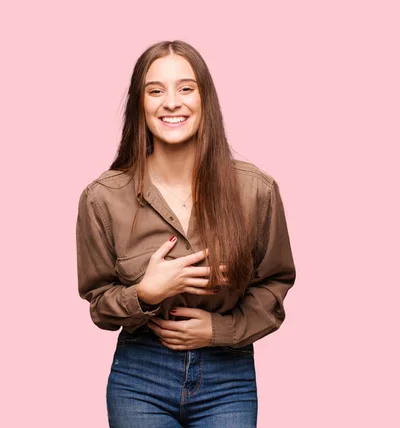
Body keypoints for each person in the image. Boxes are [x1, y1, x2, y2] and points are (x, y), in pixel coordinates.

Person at [75, 40, 295, 428]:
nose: (171, 102)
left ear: (205, 99)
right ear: (139, 105)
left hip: (229, 379)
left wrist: (220, 330)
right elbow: (99, 305)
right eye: (155, 90)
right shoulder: (102, 198)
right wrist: (144, 294)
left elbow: (275, 283)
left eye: (186, 88)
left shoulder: (255, 190)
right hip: (140, 375)